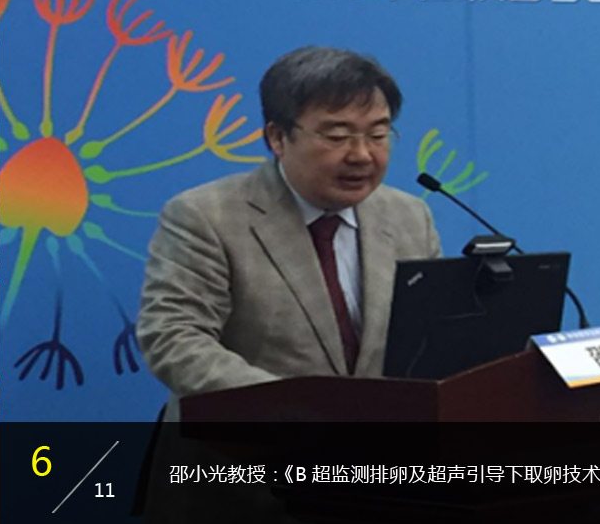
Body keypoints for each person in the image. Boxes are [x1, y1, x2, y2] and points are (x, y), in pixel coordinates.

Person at [136, 46, 441, 419]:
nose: (362, 155)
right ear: (278, 138)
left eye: (378, 134)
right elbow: (174, 338)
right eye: (337, 136)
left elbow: (429, 341)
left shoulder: (410, 216)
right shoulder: (205, 216)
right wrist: (295, 409)